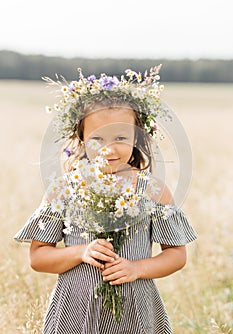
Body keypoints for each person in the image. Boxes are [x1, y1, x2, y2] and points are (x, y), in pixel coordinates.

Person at [14, 66, 197, 334]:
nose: (109, 149)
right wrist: (81, 251)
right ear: (81, 138)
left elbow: (176, 254)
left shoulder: (152, 189)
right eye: (97, 138)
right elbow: (38, 257)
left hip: (135, 313)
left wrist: (137, 268)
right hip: (74, 313)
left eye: (121, 137)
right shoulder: (64, 188)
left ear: (138, 136)